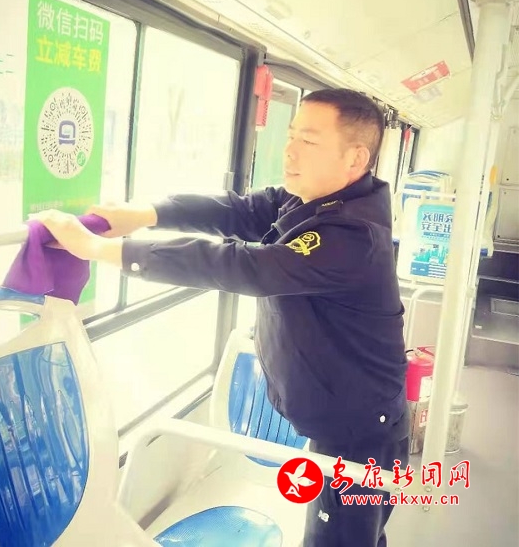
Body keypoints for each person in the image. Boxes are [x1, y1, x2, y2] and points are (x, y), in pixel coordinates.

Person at [33, 88, 410, 547]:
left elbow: (243, 266)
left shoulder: (353, 236)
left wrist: (99, 249)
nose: (290, 150)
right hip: (343, 416)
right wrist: (146, 214)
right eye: (291, 135)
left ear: (355, 158)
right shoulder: (308, 202)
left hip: (361, 434)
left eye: (309, 141)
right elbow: (236, 211)